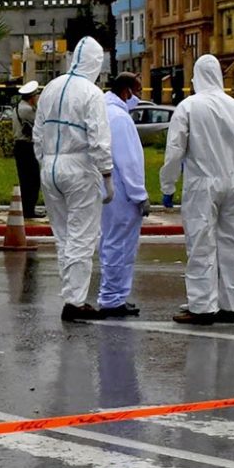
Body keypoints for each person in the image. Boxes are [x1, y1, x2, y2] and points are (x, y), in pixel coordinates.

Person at [159, 55, 234, 325]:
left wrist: (168, 184)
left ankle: (202, 307)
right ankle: (229, 306)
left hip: (202, 183)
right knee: (232, 245)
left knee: (201, 244)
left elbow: (175, 150)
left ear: (197, 76)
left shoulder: (189, 107)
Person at [32, 36, 114, 322]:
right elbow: (99, 139)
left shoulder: (51, 88)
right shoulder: (92, 94)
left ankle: (70, 293)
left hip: (50, 168)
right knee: (82, 236)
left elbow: (38, 132)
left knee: (64, 236)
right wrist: (106, 175)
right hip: (80, 168)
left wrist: (45, 162)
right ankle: (75, 302)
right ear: (96, 63)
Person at [97, 72, 150, 318]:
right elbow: (129, 161)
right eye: (137, 92)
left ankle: (116, 296)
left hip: (108, 189)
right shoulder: (119, 117)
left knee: (112, 242)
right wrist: (140, 195)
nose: (139, 97)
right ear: (127, 91)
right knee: (120, 245)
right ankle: (111, 298)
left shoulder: (104, 112)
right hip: (123, 193)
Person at [13, 80, 42, 218]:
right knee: (33, 180)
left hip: (21, 147)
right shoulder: (27, 110)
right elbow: (41, 123)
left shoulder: (18, 107)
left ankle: (28, 209)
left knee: (26, 179)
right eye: (36, 96)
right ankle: (29, 211)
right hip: (26, 147)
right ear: (32, 97)